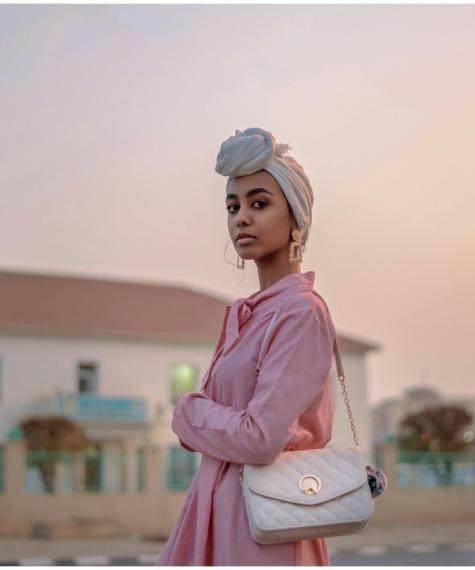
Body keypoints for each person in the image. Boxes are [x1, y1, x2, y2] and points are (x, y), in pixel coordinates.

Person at [156, 128, 336, 566]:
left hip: (263, 529)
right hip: (215, 513)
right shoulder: (247, 314)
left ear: (295, 217)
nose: (241, 218)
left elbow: (259, 438)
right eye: (233, 206)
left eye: (259, 204)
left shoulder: (300, 312)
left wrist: (187, 414)